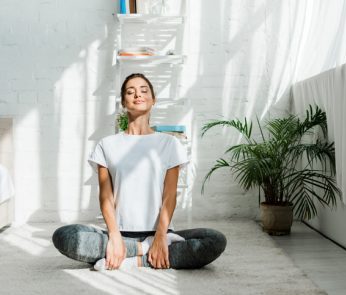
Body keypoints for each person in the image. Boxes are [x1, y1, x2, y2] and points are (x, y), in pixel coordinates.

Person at [52, 73, 227, 270]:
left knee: (214, 240)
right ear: (123, 102)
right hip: (120, 233)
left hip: (161, 232)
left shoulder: (170, 144)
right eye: (130, 91)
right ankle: (144, 250)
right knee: (65, 236)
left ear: (153, 100)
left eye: (144, 90)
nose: (138, 94)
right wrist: (115, 236)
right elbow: (105, 197)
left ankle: (133, 257)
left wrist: (160, 236)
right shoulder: (106, 145)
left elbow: (169, 196)